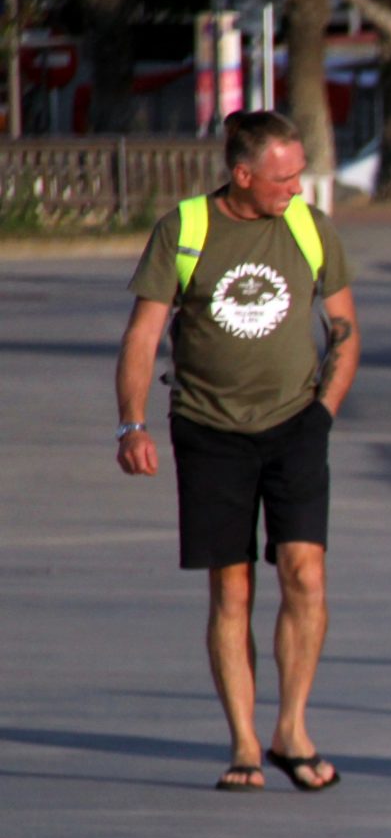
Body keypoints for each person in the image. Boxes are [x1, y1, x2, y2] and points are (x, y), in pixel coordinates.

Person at [114, 109, 360, 793]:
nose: (296, 187)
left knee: (305, 572)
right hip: (209, 429)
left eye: (299, 172)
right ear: (242, 174)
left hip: (295, 426)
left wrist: (323, 415)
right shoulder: (186, 229)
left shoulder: (310, 228)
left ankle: (294, 728)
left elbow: (344, 328)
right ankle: (245, 742)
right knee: (233, 586)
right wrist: (129, 424)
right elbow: (142, 335)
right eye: (283, 176)